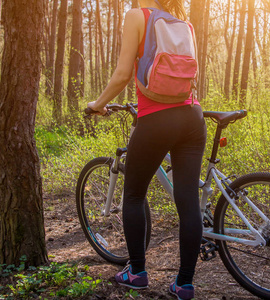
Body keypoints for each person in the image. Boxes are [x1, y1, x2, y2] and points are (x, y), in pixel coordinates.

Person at [87, 1, 206, 299]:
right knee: (189, 202)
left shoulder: (137, 16)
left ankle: (137, 273)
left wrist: (97, 104)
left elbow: (123, 73)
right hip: (193, 118)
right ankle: (184, 285)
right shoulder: (182, 23)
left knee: (135, 194)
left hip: (156, 118)